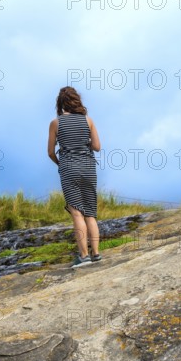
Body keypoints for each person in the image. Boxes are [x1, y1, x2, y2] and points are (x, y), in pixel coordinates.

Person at [47, 86, 101, 268]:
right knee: (90, 213)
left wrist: (61, 164)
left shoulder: (56, 123)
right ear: (77, 100)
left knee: (77, 213)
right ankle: (96, 254)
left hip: (69, 168)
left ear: (61, 104)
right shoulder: (88, 121)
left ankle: (84, 256)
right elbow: (97, 146)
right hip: (88, 167)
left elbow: (50, 152)